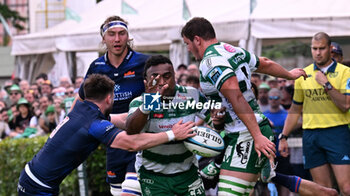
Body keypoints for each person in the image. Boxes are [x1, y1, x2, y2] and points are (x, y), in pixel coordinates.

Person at [181, 17, 307, 195]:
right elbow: (265, 63)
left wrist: (257, 136)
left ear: (197, 39)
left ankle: (262, 156)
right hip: (240, 131)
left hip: (246, 133)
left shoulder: (210, 62)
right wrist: (289, 74)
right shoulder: (230, 49)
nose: (188, 48)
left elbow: (237, 97)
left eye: (187, 43)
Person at [17, 74, 195, 195]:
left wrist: (154, 102)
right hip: (38, 186)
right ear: (110, 98)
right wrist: (172, 134)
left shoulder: (82, 108)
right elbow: (131, 143)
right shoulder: (94, 124)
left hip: (32, 177)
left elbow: (125, 119)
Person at [73, 15, 149, 195]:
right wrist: (66, 124)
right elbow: (81, 100)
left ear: (128, 36)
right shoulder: (96, 66)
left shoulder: (144, 62)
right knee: (116, 192)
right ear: (103, 38)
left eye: (122, 33)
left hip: (140, 136)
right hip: (113, 139)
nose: (117, 39)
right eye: (112, 34)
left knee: (130, 191)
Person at [125, 55, 210, 195]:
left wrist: (218, 117)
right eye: (155, 78)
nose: (162, 82)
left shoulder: (191, 95)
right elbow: (131, 131)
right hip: (153, 176)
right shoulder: (139, 102)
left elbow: (215, 120)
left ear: (174, 77)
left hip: (187, 173)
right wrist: (150, 102)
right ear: (146, 82)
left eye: (167, 76)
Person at [278, 32, 350, 196]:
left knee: (346, 189)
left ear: (330, 49)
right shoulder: (303, 74)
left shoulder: (345, 72)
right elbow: (295, 109)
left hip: (337, 132)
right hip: (311, 135)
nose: (318, 53)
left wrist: (327, 85)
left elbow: (345, 105)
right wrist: (283, 136)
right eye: (314, 48)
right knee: (324, 191)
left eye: (322, 48)